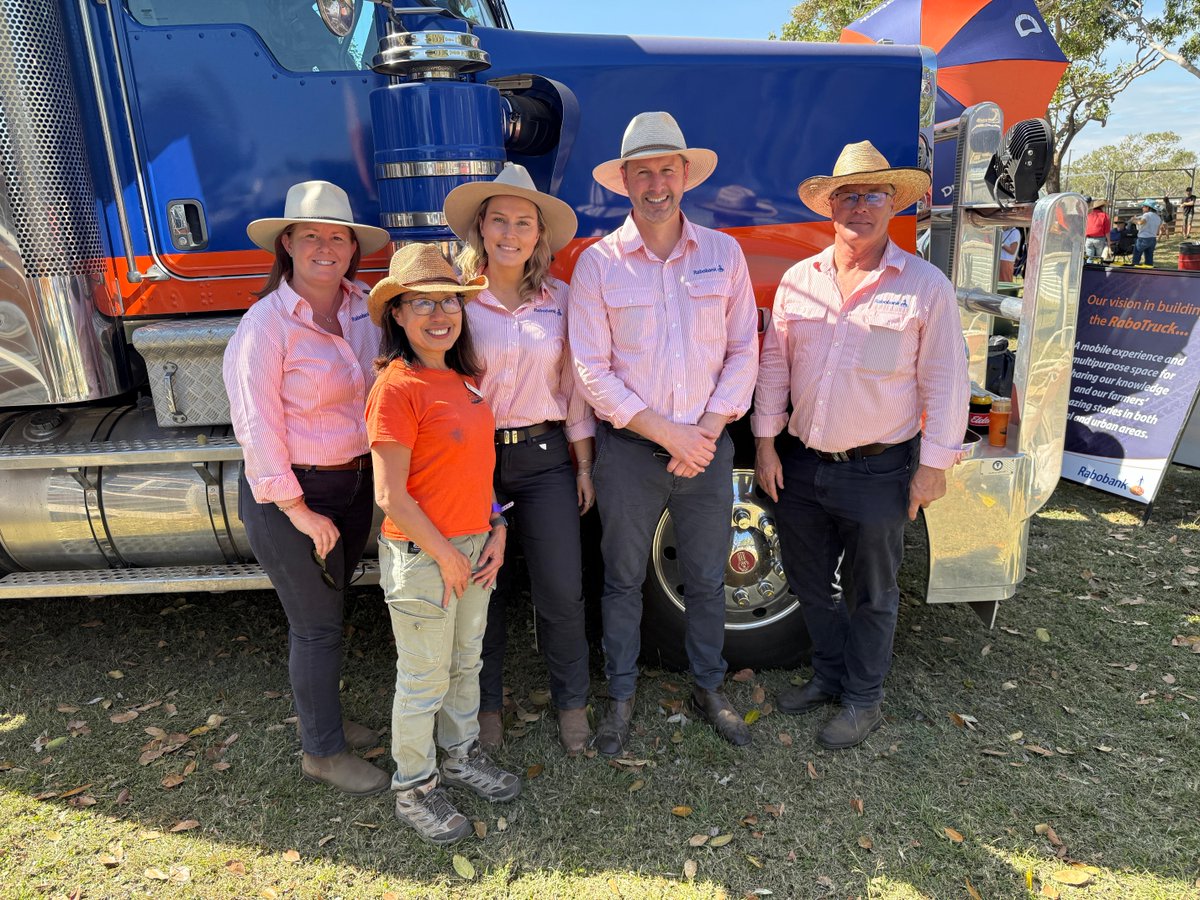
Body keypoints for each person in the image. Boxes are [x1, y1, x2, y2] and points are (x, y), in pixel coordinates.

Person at [753, 141, 968, 750]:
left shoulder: (924, 286)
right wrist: (765, 444)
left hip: (879, 470)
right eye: (848, 195)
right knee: (808, 582)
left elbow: (946, 379)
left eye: (874, 195)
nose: (860, 207)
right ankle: (828, 676)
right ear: (831, 206)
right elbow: (774, 365)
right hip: (802, 464)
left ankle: (863, 698)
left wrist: (934, 466)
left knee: (872, 593)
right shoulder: (798, 281)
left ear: (892, 204)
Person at [570, 111, 759, 753]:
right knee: (622, 579)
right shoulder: (597, 265)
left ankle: (709, 687)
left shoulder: (723, 255)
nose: (657, 185)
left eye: (667, 171)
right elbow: (590, 370)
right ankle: (620, 697)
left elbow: (744, 349)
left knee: (707, 579)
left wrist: (704, 429)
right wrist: (667, 433)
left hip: (706, 447)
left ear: (685, 175)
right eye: (643, 173)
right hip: (629, 453)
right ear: (625, 181)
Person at [223, 181, 392, 794]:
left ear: (352, 247)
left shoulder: (365, 307)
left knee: (330, 613)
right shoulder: (265, 326)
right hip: (292, 497)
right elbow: (257, 426)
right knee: (315, 624)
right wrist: (298, 510)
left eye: (337, 236)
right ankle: (321, 752)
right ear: (288, 244)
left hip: (351, 484)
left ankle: (327, 721)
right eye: (311, 235)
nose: (326, 247)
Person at [366, 243, 520, 845]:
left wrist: (497, 526)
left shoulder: (464, 382)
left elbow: (476, 472)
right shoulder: (396, 388)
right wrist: (448, 554)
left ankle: (460, 757)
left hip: (474, 546)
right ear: (398, 314)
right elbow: (391, 495)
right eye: (422, 303)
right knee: (424, 679)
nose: (439, 315)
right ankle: (415, 787)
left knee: (465, 664)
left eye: (449, 302)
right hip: (425, 555)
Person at [442, 162, 595, 756]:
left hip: (545, 457)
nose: (510, 233)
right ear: (481, 227)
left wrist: (584, 466)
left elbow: (575, 388)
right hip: (473, 462)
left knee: (561, 588)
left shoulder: (562, 300)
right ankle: (485, 707)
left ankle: (572, 702)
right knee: (485, 589)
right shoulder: (456, 302)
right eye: (499, 220)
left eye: (523, 223)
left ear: (539, 235)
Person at [1132, 200, 1162, 266]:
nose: (1142, 208)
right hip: (1153, 238)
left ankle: (1134, 269)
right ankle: (1148, 270)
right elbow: (1158, 230)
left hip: (1143, 238)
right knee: (1149, 257)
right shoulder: (1158, 217)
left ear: (1148, 207)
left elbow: (1141, 222)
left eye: (1143, 206)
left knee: (1136, 255)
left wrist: (1134, 220)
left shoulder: (1146, 215)